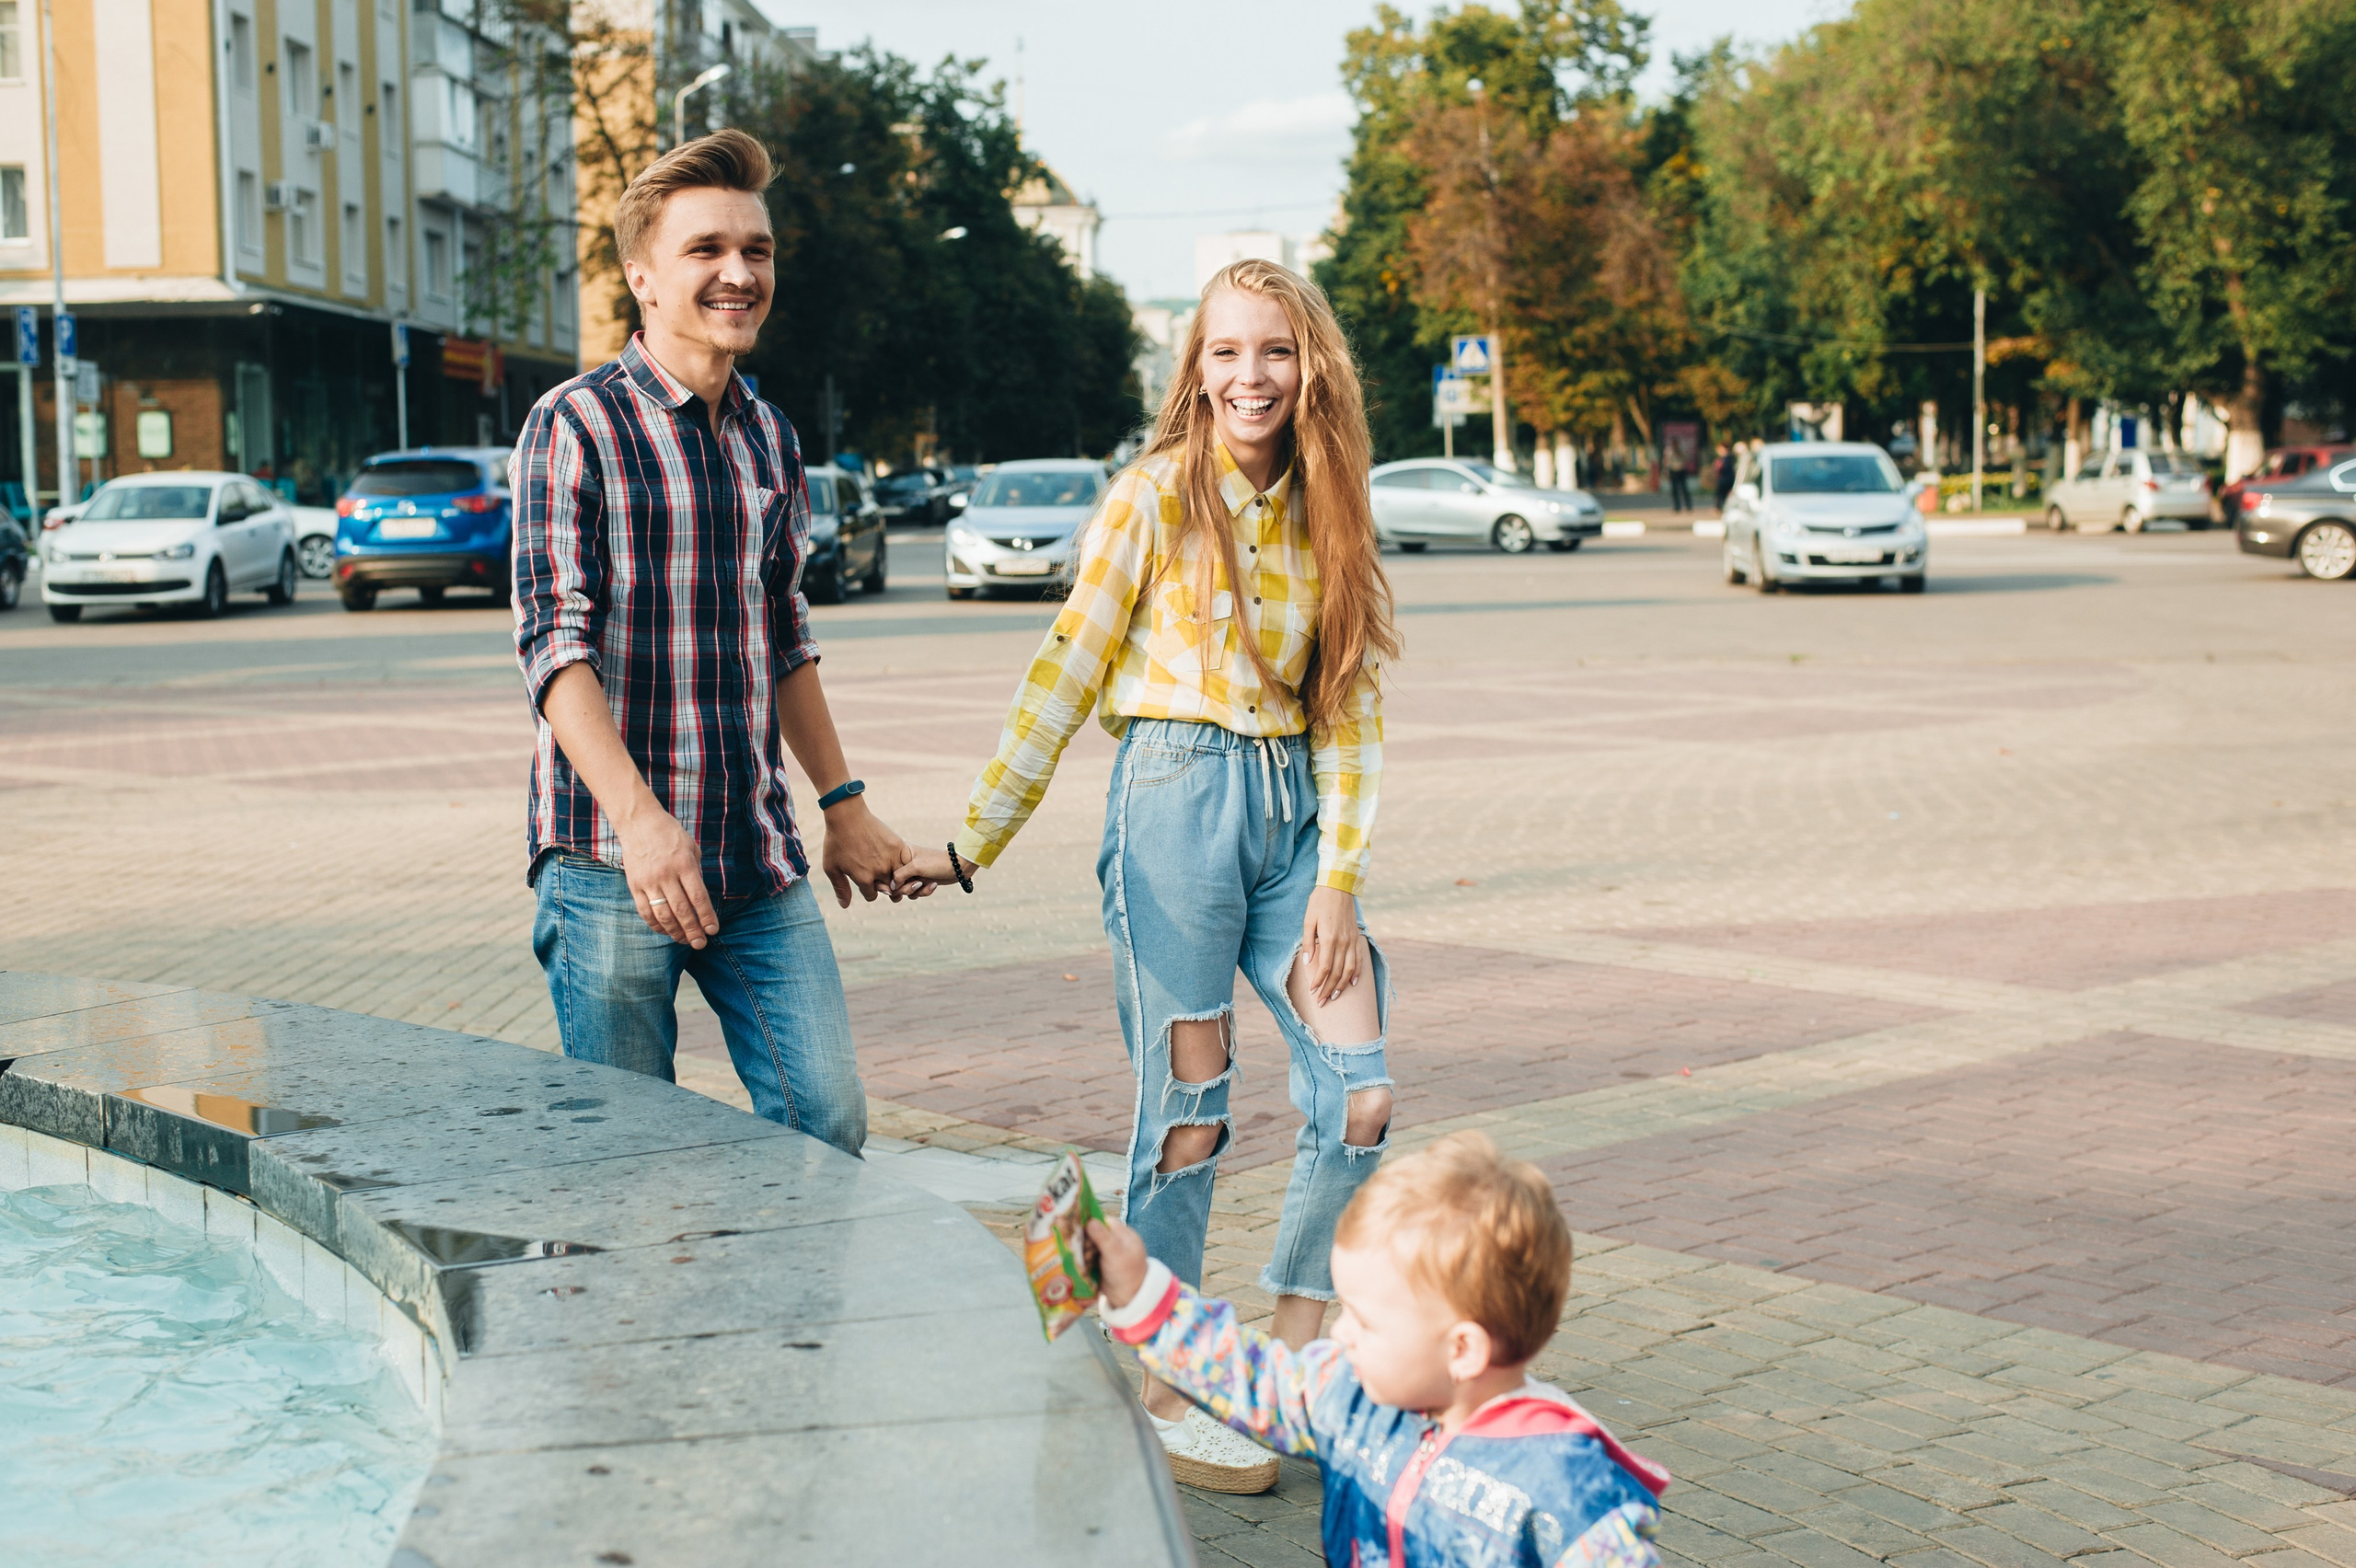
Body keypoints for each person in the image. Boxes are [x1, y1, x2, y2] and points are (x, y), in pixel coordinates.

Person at [896, 259, 1399, 1493]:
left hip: (1292, 826)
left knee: (1361, 1095)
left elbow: (1351, 708)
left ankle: (1287, 1372)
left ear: (1311, 366)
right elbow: (1065, 668)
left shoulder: (1332, 504)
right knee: (1191, 1113)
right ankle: (1169, 1391)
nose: (1250, 376)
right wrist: (973, 841)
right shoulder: (1155, 497)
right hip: (1174, 807)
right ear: (1195, 369)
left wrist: (1339, 879)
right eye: (1225, 352)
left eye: (1274, 351)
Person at [510, 131, 922, 1159]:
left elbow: (784, 634)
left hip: (754, 854)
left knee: (825, 1122)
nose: (740, 272)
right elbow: (553, 647)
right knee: (627, 1154)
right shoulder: (574, 425)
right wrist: (641, 823)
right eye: (706, 249)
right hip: (612, 862)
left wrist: (843, 805)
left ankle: (775, 1278)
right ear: (642, 275)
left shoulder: (770, 436)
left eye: (757, 250)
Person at [1089, 1130, 1671, 1566]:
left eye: (1365, 1321)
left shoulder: (1568, 1488)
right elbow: (1248, 1375)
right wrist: (1143, 1298)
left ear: (1461, 1350)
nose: (1341, 1334)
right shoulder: (1352, 1398)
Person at [1665, 446, 1692, 513]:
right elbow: (1667, 462)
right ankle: (1677, 507)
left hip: (1681, 471)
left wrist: (1680, 453)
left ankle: (1688, 506)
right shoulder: (1669, 451)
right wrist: (1666, 471)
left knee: (1684, 489)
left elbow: (1687, 458)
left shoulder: (1682, 449)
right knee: (1674, 490)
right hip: (1673, 471)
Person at [1711, 442, 1736, 513]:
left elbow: (1726, 469)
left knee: (1724, 495)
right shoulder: (1723, 458)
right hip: (1724, 479)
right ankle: (1720, 507)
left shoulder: (1728, 458)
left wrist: (1719, 466)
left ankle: (1721, 508)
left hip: (1727, 480)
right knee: (1721, 495)